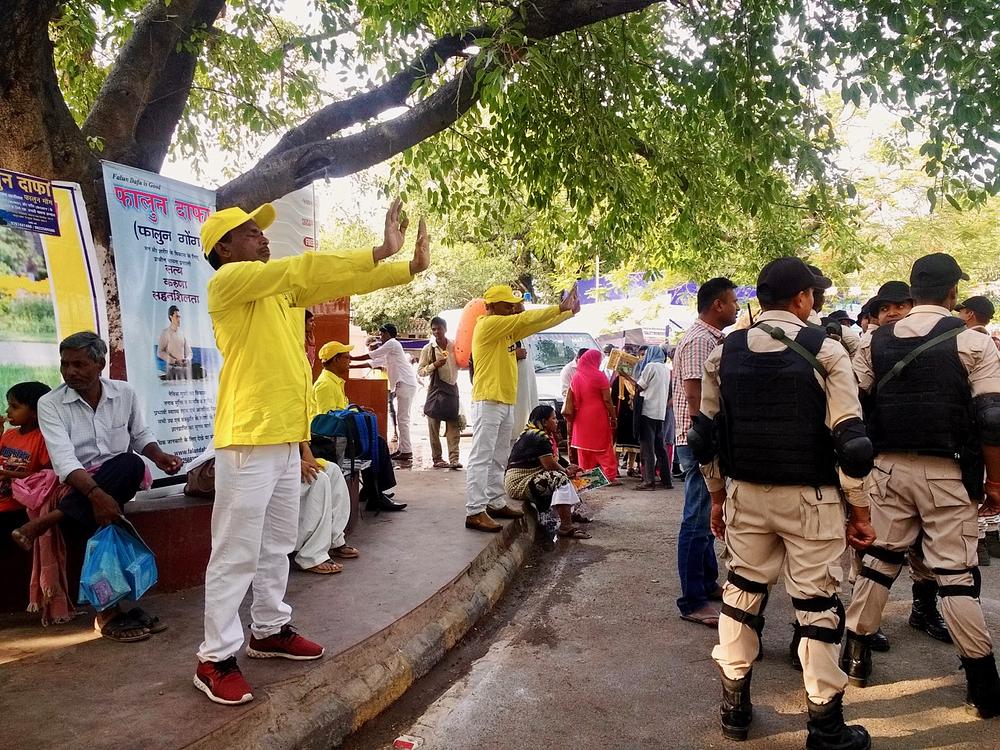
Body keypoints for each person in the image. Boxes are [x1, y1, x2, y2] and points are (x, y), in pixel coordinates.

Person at [194, 199, 426, 705]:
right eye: (250, 233)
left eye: (261, 231)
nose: (262, 238)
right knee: (235, 551)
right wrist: (380, 248)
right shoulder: (227, 283)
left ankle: (269, 629)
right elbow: (305, 267)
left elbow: (331, 279)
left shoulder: (279, 294)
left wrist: (402, 268)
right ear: (224, 248)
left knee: (277, 542)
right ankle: (214, 657)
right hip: (248, 437)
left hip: (282, 437)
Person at [692, 257, 876, 748]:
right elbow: (852, 443)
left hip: (745, 496)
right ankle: (825, 726)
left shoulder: (724, 353)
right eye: (812, 294)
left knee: (741, 595)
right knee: (816, 605)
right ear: (800, 299)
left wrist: (715, 498)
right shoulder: (829, 351)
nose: (814, 302)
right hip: (811, 500)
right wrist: (860, 510)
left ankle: (735, 711)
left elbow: (703, 439)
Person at [841, 253, 1000, 720]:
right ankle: (983, 684)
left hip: (887, 470)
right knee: (955, 575)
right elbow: (992, 419)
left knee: (880, 562)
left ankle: (856, 658)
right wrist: (996, 481)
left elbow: (854, 408)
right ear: (953, 294)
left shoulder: (874, 341)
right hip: (949, 473)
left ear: (913, 293)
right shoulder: (974, 342)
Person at [13, 333, 182, 642]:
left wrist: (160, 456)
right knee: (101, 520)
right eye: (65, 364)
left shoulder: (124, 393)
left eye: (80, 364)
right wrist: (97, 495)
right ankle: (110, 610)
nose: (70, 372)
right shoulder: (50, 404)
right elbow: (63, 461)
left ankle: (50, 521)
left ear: (101, 364)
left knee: (129, 463)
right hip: (76, 485)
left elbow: (140, 435)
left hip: (116, 477)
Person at [465, 284, 579, 533]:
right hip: (488, 400)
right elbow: (528, 318)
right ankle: (474, 510)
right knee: (481, 457)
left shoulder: (506, 329)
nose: (512, 309)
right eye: (507, 305)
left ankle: (494, 501)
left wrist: (567, 313)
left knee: (499, 455)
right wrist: (560, 307)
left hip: (504, 401)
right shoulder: (488, 324)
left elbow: (536, 324)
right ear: (491, 307)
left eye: (512, 305)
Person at [672, 277, 739, 627]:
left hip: (698, 437)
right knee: (697, 519)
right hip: (697, 439)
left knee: (704, 515)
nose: (737, 307)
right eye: (733, 301)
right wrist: (708, 440)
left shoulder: (708, 338)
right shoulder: (700, 341)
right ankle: (692, 600)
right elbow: (696, 395)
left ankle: (706, 583)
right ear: (718, 305)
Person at [313, 340, 407, 512]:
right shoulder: (325, 385)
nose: (349, 360)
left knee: (373, 439)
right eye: (346, 357)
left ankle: (374, 491)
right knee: (374, 442)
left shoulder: (334, 382)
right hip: (331, 441)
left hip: (340, 435)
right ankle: (375, 495)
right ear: (335, 360)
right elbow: (328, 420)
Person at [506, 404, 590, 540]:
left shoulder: (537, 434)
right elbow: (549, 464)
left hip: (527, 479)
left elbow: (555, 459)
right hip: (519, 483)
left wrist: (570, 467)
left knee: (569, 478)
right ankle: (566, 527)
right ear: (544, 422)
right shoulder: (538, 437)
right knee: (560, 478)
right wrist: (567, 471)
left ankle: (569, 514)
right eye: (554, 418)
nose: (557, 421)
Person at [352, 323, 418, 464]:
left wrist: (351, 359)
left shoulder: (392, 344)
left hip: (405, 383)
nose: (380, 337)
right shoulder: (390, 352)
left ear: (388, 334)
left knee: (402, 419)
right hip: (404, 384)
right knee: (402, 419)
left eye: (382, 334)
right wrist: (351, 365)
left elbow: (373, 355)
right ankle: (404, 449)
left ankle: (406, 451)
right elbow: (373, 362)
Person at [565, 349, 619, 486]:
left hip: (581, 417)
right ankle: (608, 476)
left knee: (584, 449)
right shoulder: (599, 376)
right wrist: (613, 417)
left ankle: (586, 478)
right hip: (597, 415)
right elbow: (607, 400)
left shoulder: (576, 376)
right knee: (603, 447)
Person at [417, 316, 462, 469]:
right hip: (435, 391)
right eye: (434, 329)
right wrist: (434, 365)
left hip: (452, 389)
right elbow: (421, 372)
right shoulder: (428, 349)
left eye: (439, 328)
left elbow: (461, 363)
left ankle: (454, 459)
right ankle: (437, 459)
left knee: (453, 428)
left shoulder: (454, 346)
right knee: (433, 427)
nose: (437, 332)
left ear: (445, 329)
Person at [2, 382, 52, 511]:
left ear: (35, 412)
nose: (8, 411)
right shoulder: (9, 434)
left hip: (20, 507)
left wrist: (7, 473)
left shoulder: (42, 438)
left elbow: (46, 477)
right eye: (9, 405)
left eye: (14, 406)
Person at [626, 345, 670, 490]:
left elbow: (640, 386)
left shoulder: (651, 366)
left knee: (647, 448)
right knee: (660, 447)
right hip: (660, 412)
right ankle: (666, 480)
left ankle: (649, 481)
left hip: (647, 411)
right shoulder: (665, 368)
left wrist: (625, 376)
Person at [512, 336, 539, 443]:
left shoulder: (525, 337)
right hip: (510, 393)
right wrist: (513, 355)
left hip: (525, 391)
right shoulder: (502, 332)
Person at [157, 305, 193, 380]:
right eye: (177, 316)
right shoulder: (165, 333)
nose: (179, 319)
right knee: (190, 372)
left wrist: (187, 359)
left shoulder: (183, 333)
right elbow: (160, 352)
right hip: (173, 367)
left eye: (179, 317)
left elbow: (190, 353)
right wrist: (175, 361)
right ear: (171, 317)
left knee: (201, 370)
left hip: (184, 366)